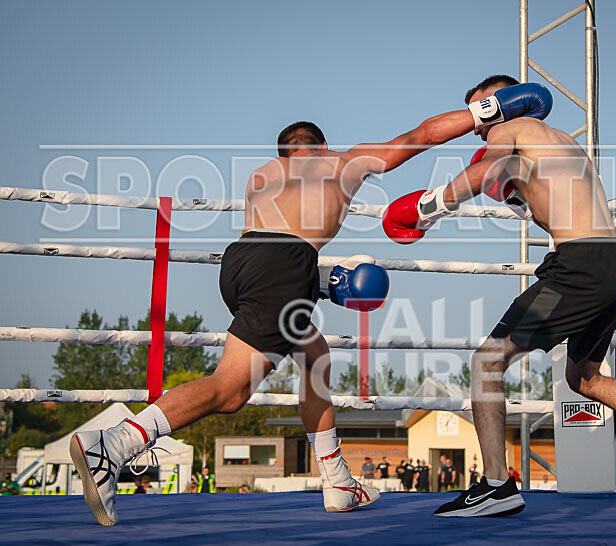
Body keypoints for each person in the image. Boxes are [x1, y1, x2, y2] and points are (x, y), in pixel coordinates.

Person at [69, 83, 551, 526]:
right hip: (283, 267)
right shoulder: (341, 161)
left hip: (240, 264)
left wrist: (314, 281)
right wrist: (487, 111)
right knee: (230, 391)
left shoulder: (263, 177)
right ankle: (114, 445)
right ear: (321, 146)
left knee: (314, 354)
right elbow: (421, 135)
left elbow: (275, 238)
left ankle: (337, 480)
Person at [383, 74, 616, 517]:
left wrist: (428, 208)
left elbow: (482, 172)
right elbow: (552, 203)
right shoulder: (560, 142)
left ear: (504, 100)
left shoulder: (511, 129)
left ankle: (495, 487)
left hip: (578, 269)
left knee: (487, 361)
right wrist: (516, 195)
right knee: (584, 377)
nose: (479, 126)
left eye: (481, 108)